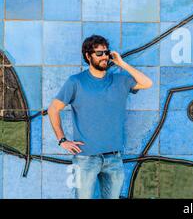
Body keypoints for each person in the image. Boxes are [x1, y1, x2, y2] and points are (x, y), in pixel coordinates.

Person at [47, 35, 153, 199]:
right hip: (86, 158)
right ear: (88, 56)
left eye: (106, 52)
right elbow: (53, 109)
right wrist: (62, 139)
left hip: (114, 158)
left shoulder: (120, 80)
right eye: (99, 53)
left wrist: (121, 63)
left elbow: (147, 83)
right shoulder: (76, 82)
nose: (104, 56)